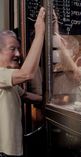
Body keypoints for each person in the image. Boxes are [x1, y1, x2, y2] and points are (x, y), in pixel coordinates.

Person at [0, 7, 45, 157]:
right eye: (12, 49)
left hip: (14, 152)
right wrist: (40, 33)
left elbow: (26, 96)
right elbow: (27, 73)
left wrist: (55, 102)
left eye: (18, 49)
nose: (18, 54)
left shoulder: (8, 81)